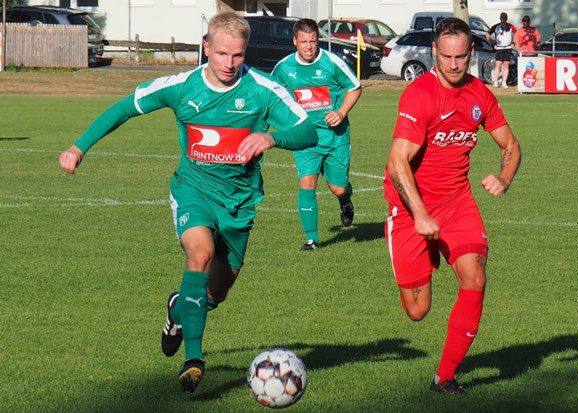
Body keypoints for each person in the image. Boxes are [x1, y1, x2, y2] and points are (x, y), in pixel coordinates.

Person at [59, 12, 318, 393]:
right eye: (222, 54)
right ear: (206, 47)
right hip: (193, 189)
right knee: (199, 253)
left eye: (238, 55)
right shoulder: (181, 86)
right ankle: (194, 360)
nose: (229, 64)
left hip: (239, 203)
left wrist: (271, 139)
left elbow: (307, 128)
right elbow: (123, 108)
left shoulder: (262, 88)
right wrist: (79, 146)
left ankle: (178, 310)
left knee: (215, 294)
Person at [384, 18, 521, 394]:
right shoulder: (420, 95)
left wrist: (504, 178)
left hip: (458, 203)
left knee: (475, 277)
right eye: (446, 57)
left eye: (461, 56)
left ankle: (444, 378)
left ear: (471, 52)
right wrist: (421, 215)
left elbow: (511, 146)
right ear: (434, 52)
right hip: (412, 209)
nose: (454, 64)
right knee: (417, 311)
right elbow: (398, 163)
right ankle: (420, 252)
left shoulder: (481, 95)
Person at [271, 18, 362, 251]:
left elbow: (354, 87)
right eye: (303, 42)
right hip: (305, 137)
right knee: (306, 182)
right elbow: (272, 96)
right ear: (294, 41)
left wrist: (341, 112)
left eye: (312, 41)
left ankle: (345, 201)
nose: (309, 46)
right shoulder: (283, 68)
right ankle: (312, 239)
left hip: (335, 136)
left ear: (317, 40)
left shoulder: (332, 63)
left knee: (337, 187)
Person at [485, 12, 516, 88]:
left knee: (506, 65)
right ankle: (495, 81)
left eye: (505, 18)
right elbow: (487, 34)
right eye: (502, 18)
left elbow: (517, 34)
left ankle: (504, 82)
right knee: (498, 64)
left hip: (508, 48)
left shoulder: (510, 26)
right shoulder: (496, 26)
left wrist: (514, 43)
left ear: (506, 19)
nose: (503, 19)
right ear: (500, 18)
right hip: (499, 48)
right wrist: (492, 45)